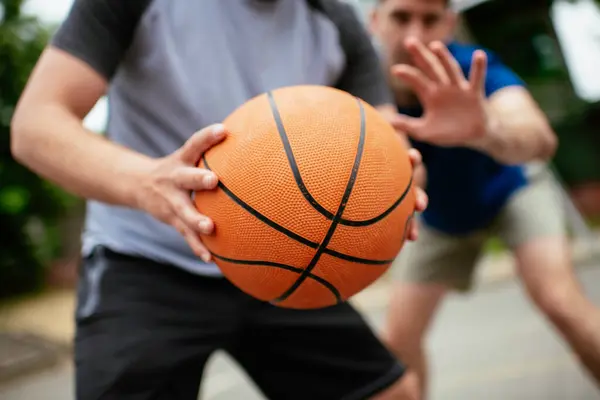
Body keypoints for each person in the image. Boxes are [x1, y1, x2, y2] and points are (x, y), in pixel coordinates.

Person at [10, 0, 440, 399]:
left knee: (392, 394)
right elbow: (35, 124)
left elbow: (389, 151)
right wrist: (148, 182)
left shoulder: (335, 19)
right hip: (147, 260)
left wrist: (404, 185)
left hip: (286, 260)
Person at [369, 0, 600, 398]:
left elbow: (540, 138)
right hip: (439, 219)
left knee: (561, 301)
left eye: (430, 20)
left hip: (512, 193)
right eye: (401, 17)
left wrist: (486, 131)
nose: (415, 35)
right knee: (397, 343)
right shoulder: (364, 85)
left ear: (451, 23)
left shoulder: (475, 68)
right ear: (375, 22)